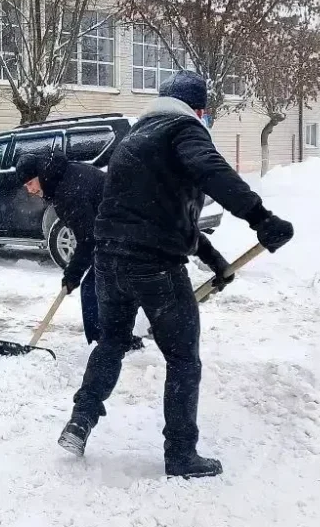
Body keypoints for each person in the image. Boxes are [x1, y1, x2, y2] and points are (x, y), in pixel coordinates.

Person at [56, 71, 295, 479]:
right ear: (199, 109)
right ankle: (181, 453)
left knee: (111, 342)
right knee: (183, 359)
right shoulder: (184, 129)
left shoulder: (133, 138)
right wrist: (260, 217)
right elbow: (212, 171)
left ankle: (81, 419)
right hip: (154, 265)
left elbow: (159, 213)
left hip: (108, 261)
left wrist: (214, 259)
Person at [16, 151, 143, 351]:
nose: (30, 191)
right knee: (109, 286)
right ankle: (116, 336)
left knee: (94, 288)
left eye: (30, 184)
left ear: (40, 176)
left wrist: (73, 273)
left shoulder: (68, 192)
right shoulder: (64, 174)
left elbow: (87, 240)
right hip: (124, 228)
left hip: (125, 233)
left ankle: (104, 341)